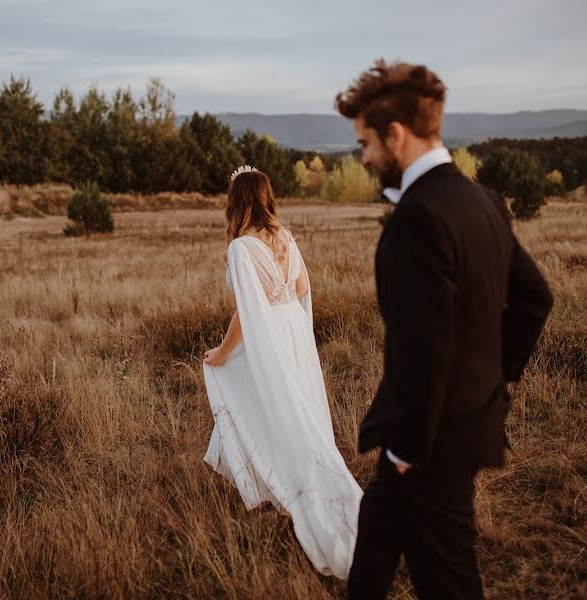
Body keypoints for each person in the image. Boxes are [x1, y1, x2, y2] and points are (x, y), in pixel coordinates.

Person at [335, 60, 554, 599]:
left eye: (365, 142)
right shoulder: (481, 200)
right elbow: (534, 298)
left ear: (396, 134)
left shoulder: (419, 217)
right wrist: (488, 382)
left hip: (428, 444)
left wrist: (408, 449)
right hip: (445, 427)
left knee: (450, 581)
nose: (362, 157)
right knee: (377, 532)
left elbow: (423, 349)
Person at [202, 165, 363, 579]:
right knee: (296, 406)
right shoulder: (286, 238)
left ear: (236, 201)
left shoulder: (241, 248)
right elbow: (304, 289)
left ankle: (283, 478)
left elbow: (245, 313)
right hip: (292, 329)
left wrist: (221, 352)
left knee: (270, 404)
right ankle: (296, 471)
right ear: (266, 196)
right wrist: (285, 307)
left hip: (268, 333)